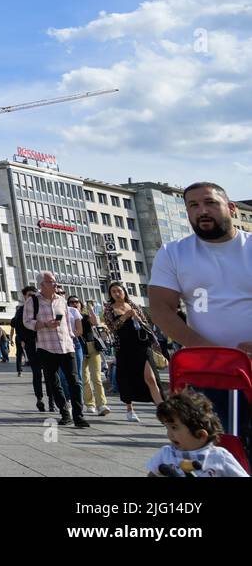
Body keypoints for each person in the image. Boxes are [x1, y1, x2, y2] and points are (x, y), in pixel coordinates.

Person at [149, 182, 252, 355]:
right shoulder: (172, 253)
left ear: (231, 208)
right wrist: (207, 349)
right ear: (187, 212)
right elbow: (161, 309)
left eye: (210, 202)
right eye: (194, 205)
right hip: (208, 366)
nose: (202, 211)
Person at [23, 271, 91, 429]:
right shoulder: (33, 301)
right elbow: (27, 322)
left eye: (55, 281)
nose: (55, 284)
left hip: (66, 345)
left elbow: (67, 322)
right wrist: (45, 324)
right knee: (54, 382)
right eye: (51, 281)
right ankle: (64, 413)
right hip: (46, 346)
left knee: (75, 381)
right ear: (42, 285)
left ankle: (78, 416)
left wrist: (71, 337)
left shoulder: (61, 300)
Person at [147, 388, 248, 477]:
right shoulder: (166, 454)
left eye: (174, 427)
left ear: (201, 435)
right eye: (167, 427)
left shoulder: (219, 457)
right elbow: (152, 474)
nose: (169, 434)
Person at [101, 281, 163, 422]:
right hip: (124, 348)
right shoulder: (109, 308)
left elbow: (146, 324)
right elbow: (112, 327)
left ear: (124, 291)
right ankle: (130, 409)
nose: (117, 293)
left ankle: (162, 409)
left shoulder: (134, 305)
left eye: (119, 290)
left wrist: (137, 317)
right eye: (113, 292)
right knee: (127, 378)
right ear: (110, 295)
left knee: (151, 378)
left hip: (141, 346)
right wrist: (124, 317)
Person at [12, 285, 45, 410]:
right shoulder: (21, 310)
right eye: (29, 295)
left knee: (50, 373)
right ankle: (39, 398)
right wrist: (23, 340)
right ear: (25, 297)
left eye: (34, 295)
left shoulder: (41, 307)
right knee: (37, 372)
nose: (32, 298)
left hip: (45, 343)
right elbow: (17, 326)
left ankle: (53, 401)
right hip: (31, 344)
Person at [77, 299, 110, 417]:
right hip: (78, 348)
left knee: (96, 377)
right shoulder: (68, 317)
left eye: (77, 302)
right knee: (84, 378)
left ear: (81, 305)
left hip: (92, 347)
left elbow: (96, 322)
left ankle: (102, 405)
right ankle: (90, 404)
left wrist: (89, 306)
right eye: (71, 302)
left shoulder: (85, 316)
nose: (74, 304)